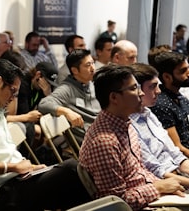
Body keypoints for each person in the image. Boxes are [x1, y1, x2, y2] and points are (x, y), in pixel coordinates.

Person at [0, 59, 90, 211]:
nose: (12, 98)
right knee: (72, 171)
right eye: (12, 91)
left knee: (73, 174)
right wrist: (15, 167)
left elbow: (5, 154)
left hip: (17, 180)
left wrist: (30, 167)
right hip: (3, 192)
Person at [79, 64, 185, 211]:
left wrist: (165, 186)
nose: (141, 93)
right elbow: (116, 203)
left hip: (151, 193)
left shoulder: (125, 123)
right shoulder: (104, 143)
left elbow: (139, 171)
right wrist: (157, 187)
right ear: (114, 97)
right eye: (134, 88)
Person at [130, 63, 189, 186]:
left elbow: (176, 155)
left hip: (178, 174)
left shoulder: (148, 113)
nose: (158, 91)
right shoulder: (129, 124)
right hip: (163, 182)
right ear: (137, 90)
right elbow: (155, 170)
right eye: (152, 87)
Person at [39, 49, 100, 143]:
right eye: (88, 65)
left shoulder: (93, 83)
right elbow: (44, 104)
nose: (93, 68)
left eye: (93, 63)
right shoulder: (67, 89)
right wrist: (66, 111)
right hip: (91, 140)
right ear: (75, 70)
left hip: (102, 130)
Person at [149, 52, 189, 157]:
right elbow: (178, 147)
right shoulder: (161, 104)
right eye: (183, 71)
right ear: (167, 77)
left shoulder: (181, 98)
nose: (188, 73)